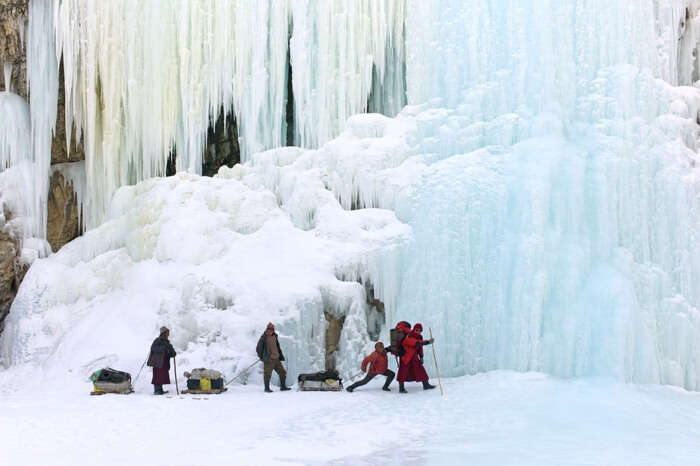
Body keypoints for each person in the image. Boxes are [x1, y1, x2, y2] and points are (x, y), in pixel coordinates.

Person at [397, 322, 436, 393]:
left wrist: (421, 357)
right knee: (403, 371)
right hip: (405, 356)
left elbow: (420, 347)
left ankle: (426, 385)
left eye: (420, 330)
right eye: (417, 330)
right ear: (414, 329)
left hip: (414, 356)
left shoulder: (419, 337)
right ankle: (401, 388)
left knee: (420, 369)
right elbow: (415, 342)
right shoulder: (409, 335)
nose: (418, 332)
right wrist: (427, 342)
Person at [256, 322, 291, 393]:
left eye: (271, 329)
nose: (270, 330)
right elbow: (258, 348)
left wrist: (279, 355)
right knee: (267, 374)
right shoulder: (264, 337)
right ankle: (266, 388)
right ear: (266, 329)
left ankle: (283, 387)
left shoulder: (275, 336)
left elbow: (277, 347)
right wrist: (262, 357)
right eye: (269, 329)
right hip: (269, 359)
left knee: (282, 372)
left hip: (276, 359)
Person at [147, 326, 177, 395]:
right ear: (163, 333)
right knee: (157, 376)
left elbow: (170, 352)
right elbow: (153, 348)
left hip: (164, 362)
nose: (168, 334)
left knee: (162, 376)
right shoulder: (157, 340)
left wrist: (172, 352)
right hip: (158, 362)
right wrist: (164, 347)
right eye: (167, 332)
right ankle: (157, 390)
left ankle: (160, 390)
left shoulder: (167, 342)